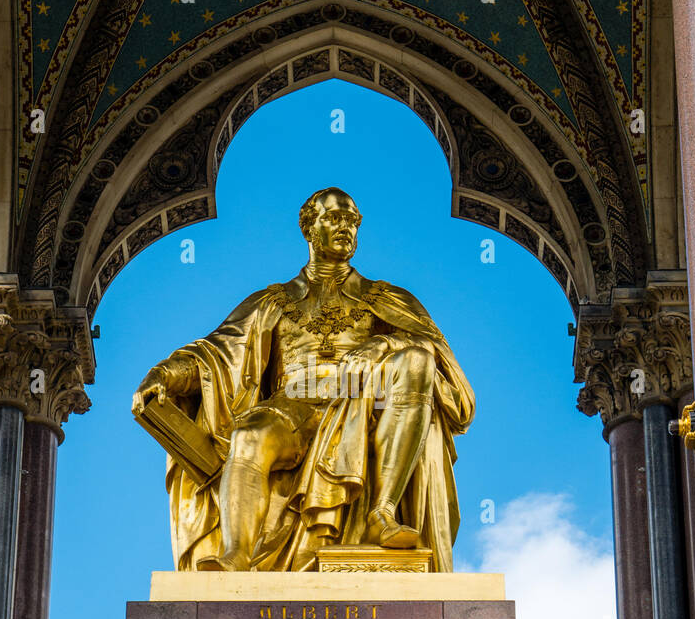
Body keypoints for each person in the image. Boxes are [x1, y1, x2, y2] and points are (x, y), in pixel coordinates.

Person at [132, 186, 475, 571]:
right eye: (334, 217)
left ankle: (383, 512)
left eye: (352, 220)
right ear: (310, 228)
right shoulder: (274, 301)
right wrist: (164, 374)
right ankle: (237, 554)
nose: (346, 227)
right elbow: (216, 352)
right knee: (249, 436)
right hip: (292, 405)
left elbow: (438, 358)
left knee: (415, 360)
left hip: (365, 405)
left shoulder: (386, 299)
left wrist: (382, 345)